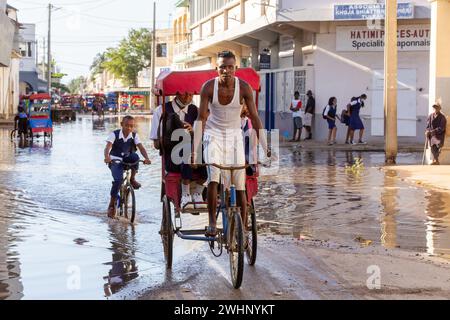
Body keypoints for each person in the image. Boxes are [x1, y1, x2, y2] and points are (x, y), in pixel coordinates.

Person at [195, 50, 270, 238]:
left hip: (235, 137)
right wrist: (195, 151)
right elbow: (201, 119)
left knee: (241, 185)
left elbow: (255, 117)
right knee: (214, 177)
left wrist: (266, 146)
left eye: (230, 67)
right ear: (216, 68)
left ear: (235, 68)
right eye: (222, 67)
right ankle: (212, 222)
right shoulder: (208, 88)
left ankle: (243, 228)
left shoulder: (244, 88)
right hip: (213, 135)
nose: (226, 71)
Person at [150, 92, 207, 209]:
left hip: (194, 154)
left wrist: (193, 131)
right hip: (172, 157)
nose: (188, 97)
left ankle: (198, 193)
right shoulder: (161, 110)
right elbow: (156, 144)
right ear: (176, 93)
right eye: (184, 93)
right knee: (186, 149)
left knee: (208, 154)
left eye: (190, 94)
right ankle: (185, 194)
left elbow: (203, 136)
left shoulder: (195, 110)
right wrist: (173, 134)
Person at [104, 116, 151, 218]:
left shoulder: (134, 136)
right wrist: (107, 157)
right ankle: (112, 204)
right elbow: (107, 147)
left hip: (126, 159)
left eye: (131, 126)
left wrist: (147, 158)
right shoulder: (114, 134)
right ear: (122, 124)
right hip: (115, 160)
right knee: (118, 180)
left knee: (135, 157)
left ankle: (133, 179)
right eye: (126, 125)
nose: (129, 128)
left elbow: (141, 147)